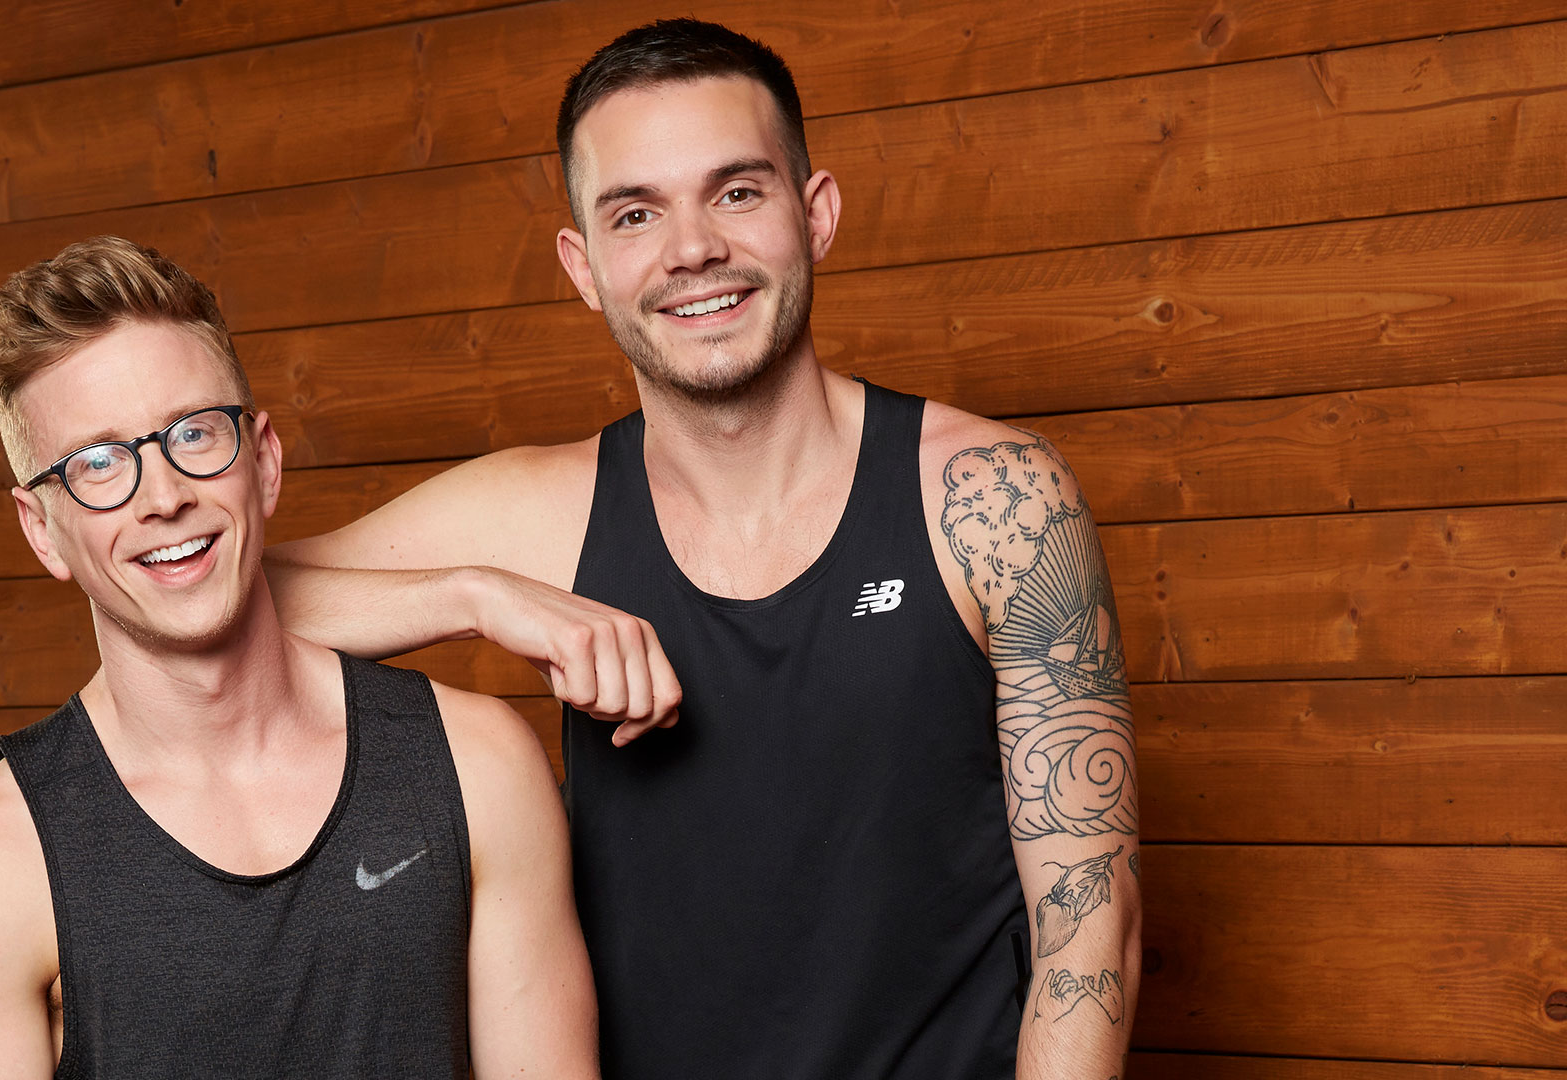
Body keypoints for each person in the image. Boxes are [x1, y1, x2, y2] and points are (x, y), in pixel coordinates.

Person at [266, 18, 1143, 1079]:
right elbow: (229, 602)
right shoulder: (546, 514)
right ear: (585, 266)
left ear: (815, 214)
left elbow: (1090, 935)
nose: (692, 250)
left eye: (735, 192)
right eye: (636, 214)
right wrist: (479, 597)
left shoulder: (995, 500)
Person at [0, 237, 598, 1079]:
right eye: (99, 464)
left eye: (194, 433)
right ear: (42, 530)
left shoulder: (478, 767)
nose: (164, 497)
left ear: (263, 461)